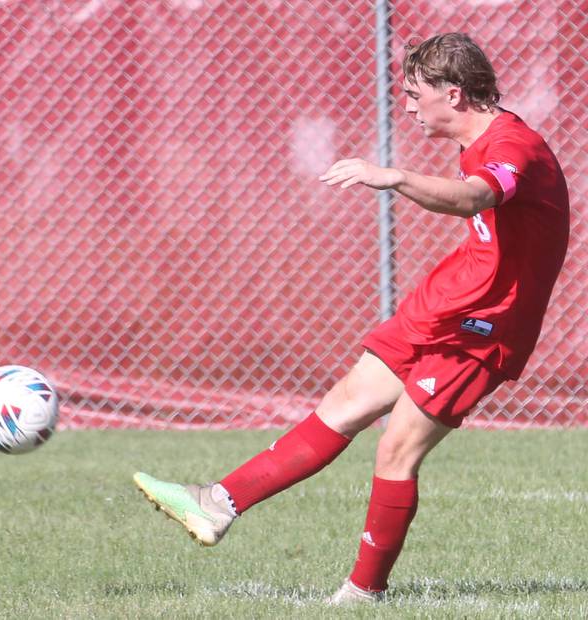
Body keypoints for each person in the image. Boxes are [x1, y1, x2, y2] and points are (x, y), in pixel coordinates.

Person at [132, 32, 570, 604]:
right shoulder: (482, 136)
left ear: (455, 94)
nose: (408, 106)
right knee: (343, 406)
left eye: (415, 94)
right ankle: (215, 503)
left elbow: (474, 198)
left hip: (486, 325)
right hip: (448, 301)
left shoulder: (514, 146)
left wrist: (393, 177)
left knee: (397, 449)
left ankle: (364, 594)